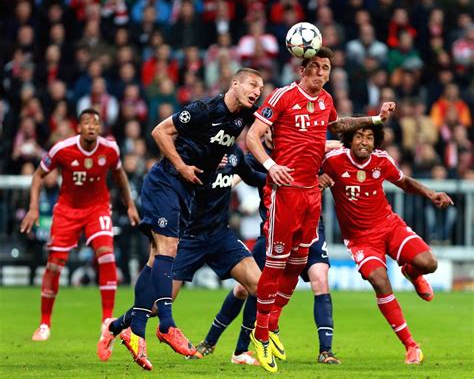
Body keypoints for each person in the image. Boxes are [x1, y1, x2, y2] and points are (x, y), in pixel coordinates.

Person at [245, 46, 396, 372]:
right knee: (275, 262)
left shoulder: (326, 100)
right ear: (302, 69)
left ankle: (271, 327)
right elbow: (252, 137)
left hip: (312, 194)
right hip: (284, 193)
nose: (321, 73)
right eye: (315, 67)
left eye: (326, 68)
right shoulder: (282, 96)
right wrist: (271, 166)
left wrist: (374, 119)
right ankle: (259, 334)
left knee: (297, 264)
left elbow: (338, 127)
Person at [104, 68, 264, 371]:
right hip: (167, 181)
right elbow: (159, 132)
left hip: (200, 211)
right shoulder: (203, 110)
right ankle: (166, 324)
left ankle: (130, 331)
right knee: (167, 248)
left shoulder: (243, 119)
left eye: (261, 87)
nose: (257, 91)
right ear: (234, 84)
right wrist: (181, 166)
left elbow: (266, 137)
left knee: (156, 262)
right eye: (252, 84)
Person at [188, 135, 342, 366]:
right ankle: (213, 343)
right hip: (273, 229)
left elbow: (337, 161)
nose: (273, 132)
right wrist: (210, 184)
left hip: (309, 227)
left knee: (320, 279)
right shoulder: (255, 158)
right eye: (269, 129)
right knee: (246, 288)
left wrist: (327, 176)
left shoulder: (303, 145)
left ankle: (325, 351)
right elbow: (233, 178)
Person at [322, 124, 453, 364]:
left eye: (370, 138)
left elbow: (404, 182)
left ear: (376, 142)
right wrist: (316, 176)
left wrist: (431, 194)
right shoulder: (333, 160)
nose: (364, 142)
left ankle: (412, 273)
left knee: (429, 263)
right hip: (361, 239)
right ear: (350, 140)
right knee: (380, 281)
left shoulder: (382, 161)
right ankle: (411, 346)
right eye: (359, 137)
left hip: (389, 226)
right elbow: (304, 161)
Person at [20, 108, 140, 341]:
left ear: (100, 128)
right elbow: (37, 176)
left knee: (107, 255)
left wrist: (130, 205)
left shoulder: (110, 149)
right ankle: (44, 323)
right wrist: (33, 207)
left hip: (98, 208)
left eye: (96, 122)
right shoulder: (62, 149)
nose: (91, 126)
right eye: (86, 122)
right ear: (79, 127)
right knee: (54, 265)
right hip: (67, 210)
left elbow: (120, 176)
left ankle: (107, 319)